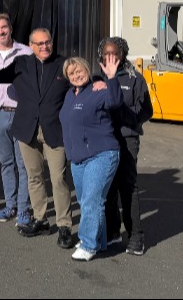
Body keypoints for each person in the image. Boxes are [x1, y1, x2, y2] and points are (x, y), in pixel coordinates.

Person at [0, 29, 78, 249]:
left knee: (58, 179)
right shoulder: (22, 63)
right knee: (34, 177)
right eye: (39, 43)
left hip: (55, 130)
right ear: (31, 45)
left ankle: (64, 226)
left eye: (48, 42)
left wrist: (100, 81)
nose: (44, 47)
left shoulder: (63, 63)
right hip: (27, 129)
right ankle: (41, 219)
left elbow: (83, 77)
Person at [59, 55, 123, 261]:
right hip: (78, 158)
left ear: (87, 70)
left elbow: (114, 102)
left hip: (101, 154)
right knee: (89, 200)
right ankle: (100, 241)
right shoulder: (70, 95)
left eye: (79, 71)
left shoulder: (99, 89)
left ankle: (88, 244)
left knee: (91, 200)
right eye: (72, 73)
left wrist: (111, 78)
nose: (76, 75)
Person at [97, 37, 153, 256]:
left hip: (127, 140)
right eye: (106, 53)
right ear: (101, 55)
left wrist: (130, 120)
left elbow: (147, 111)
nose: (111, 57)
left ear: (123, 54)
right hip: (104, 140)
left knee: (128, 187)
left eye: (115, 53)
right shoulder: (95, 77)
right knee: (108, 187)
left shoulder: (135, 79)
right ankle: (112, 231)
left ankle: (136, 236)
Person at [0, 13, 34, 227]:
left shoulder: (26, 52)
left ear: (10, 28)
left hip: (21, 112)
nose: (0, 32)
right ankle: (10, 205)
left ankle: (23, 210)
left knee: (23, 164)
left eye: (3, 27)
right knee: (6, 163)